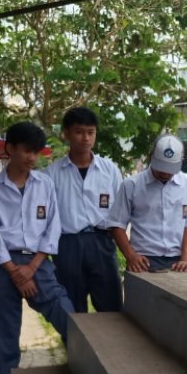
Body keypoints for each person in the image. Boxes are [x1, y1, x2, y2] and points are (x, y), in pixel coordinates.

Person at [0, 121, 74, 374]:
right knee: (5, 345)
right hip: (3, 270)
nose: (32, 158)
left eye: (36, 152)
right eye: (26, 151)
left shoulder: (44, 184)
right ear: (10, 149)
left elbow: (53, 227)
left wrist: (32, 268)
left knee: (71, 321)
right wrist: (14, 272)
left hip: (39, 265)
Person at [45, 107, 123, 313]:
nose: (85, 138)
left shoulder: (110, 170)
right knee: (71, 309)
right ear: (66, 133)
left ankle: (109, 346)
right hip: (67, 245)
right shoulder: (51, 174)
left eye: (91, 132)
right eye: (79, 132)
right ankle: (74, 345)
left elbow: (121, 212)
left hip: (102, 243)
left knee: (111, 307)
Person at [107, 133, 187, 272]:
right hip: (142, 261)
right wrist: (131, 256)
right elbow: (116, 224)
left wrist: (186, 259)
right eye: (161, 167)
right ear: (150, 157)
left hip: (177, 262)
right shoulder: (131, 185)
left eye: (170, 169)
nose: (165, 173)